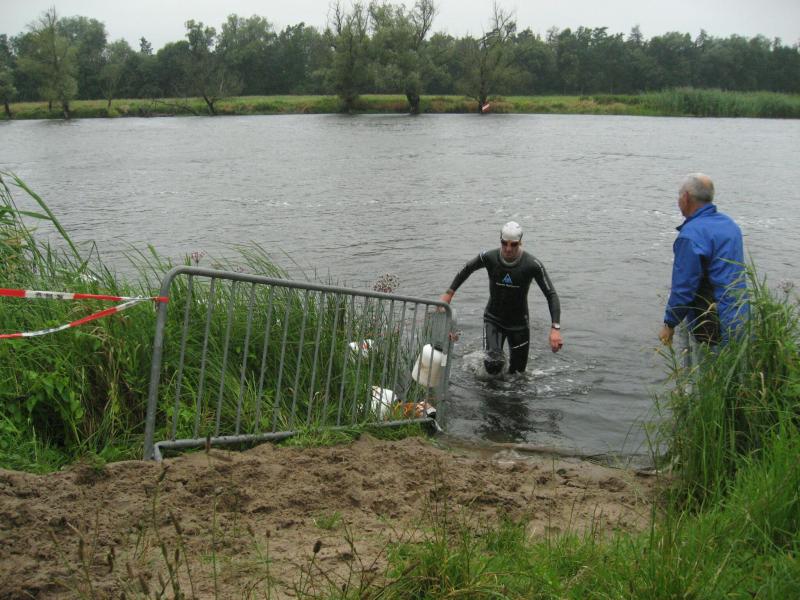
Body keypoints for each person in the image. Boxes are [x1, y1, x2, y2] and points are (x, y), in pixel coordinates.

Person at [440, 221, 563, 375]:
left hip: (519, 325)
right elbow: (467, 268)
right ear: (500, 240)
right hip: (494, 320)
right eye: (504, 243)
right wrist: (449, 294)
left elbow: (551, 295)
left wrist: (555, 328)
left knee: (518, 375)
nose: (508, 248)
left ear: (520, 242)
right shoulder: (490, 257)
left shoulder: (532, 264)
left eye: (513, 244)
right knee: (493, 364)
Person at [659, 173, 748, 347]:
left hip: (712, 324)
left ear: (686, 197)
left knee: (709, 363)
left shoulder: (691, 235)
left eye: (679, 195)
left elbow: (684, 287)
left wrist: (669, 323)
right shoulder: (730, 225)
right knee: (736, 362)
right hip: (740, 316)